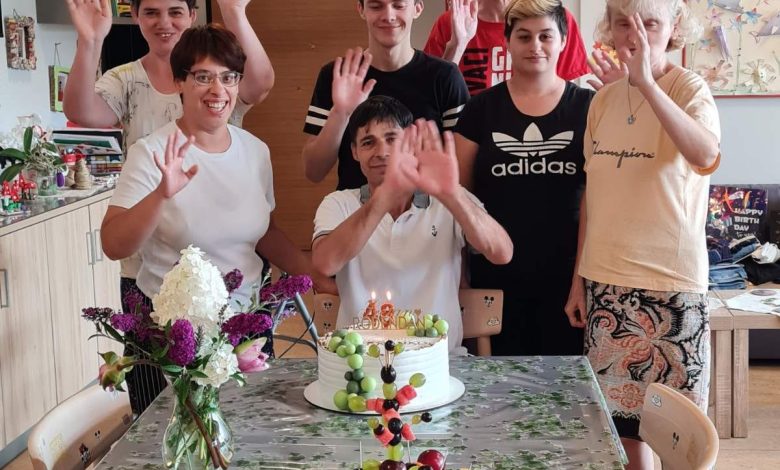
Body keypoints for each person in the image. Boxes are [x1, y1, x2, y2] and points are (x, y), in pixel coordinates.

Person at [100, 25, 323, 414]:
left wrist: (315, 273)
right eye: (202, 77)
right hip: (170, 335)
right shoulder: (151, 152)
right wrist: (161, 194)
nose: (217, 89)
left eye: (228, 77)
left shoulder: (255, 151)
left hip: (245, 323)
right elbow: (113, 243)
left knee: (251, 428)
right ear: (179, 82)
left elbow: (264, 232)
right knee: (172, 436)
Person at [564, 1, 720, 468]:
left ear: (673, 27)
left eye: (649, 23)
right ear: (609, 30)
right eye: (623, 23)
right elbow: (593, 196)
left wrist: (649, 85)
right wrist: (578, 279)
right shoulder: (602, 102)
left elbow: (706, 155)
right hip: (606, 284)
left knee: (679, 435)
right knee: (623, 428)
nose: (635, 34)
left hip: (671, 287)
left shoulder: (689, 88)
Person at [312, 96, 513, 352]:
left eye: (392, 139)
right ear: (354, 152)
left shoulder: (448, 199)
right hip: (364, 361)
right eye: (368, 142)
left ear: (412, 145)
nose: (382, 152)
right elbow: (325, 264)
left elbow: (501, 253)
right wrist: (383, 198)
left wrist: (451, 193)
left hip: (441, 361)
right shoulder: (338, 203)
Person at [454, 0, 593, 356]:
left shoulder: (589, 107)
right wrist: (461, 275)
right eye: (524, 36)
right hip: (495, 278)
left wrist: (580, 281)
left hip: (567, 280)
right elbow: (460, 200)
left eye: (546, 36)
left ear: (563, 40)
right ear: (507, 41)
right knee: (498, 385)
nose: (535, 46)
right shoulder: (479, 110)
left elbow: (597, 203)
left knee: (566, 384)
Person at [302, 0, 470, 190]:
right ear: (361, 9)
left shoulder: (445, 76)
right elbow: (314, 171)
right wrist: (340, 113)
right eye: (376, 6)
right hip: (357, 206)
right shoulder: (338, 76)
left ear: (417, 8)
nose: (388, 16)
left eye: (399, 6)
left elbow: (465, 171)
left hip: (427, 206)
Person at [423, 0, 588, 95]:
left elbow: (565, 99)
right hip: (470, 136)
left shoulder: (554, 21)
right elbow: (432, 95)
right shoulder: (451, 22)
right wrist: (457, 46)